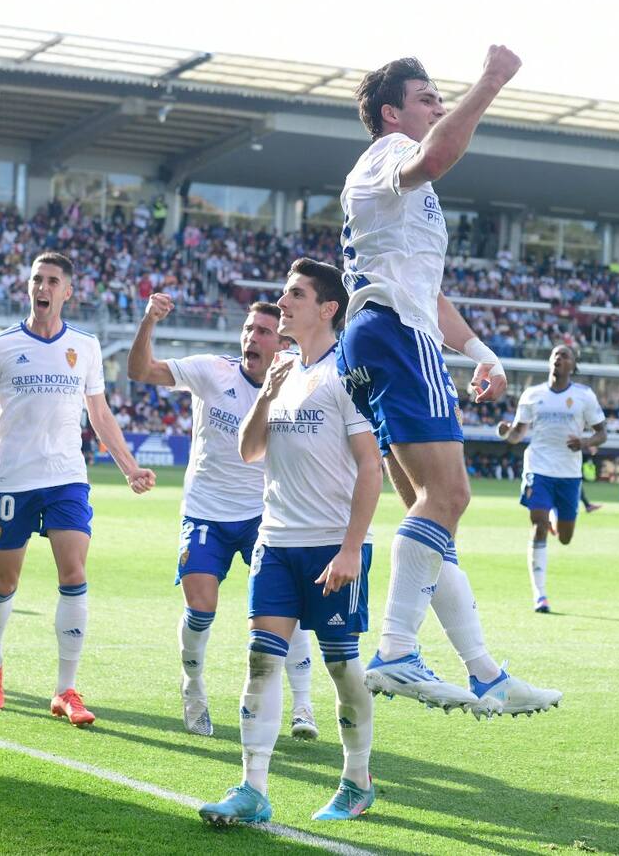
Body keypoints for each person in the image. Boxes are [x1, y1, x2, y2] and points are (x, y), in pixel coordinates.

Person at [336, 50, 560, 716]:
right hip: (395, 336)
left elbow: (427, 292)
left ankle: (485, 673)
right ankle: (396, 650)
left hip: (382, 333)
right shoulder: (391, 154)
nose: (438, 106)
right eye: (426, 97)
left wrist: (480, 351)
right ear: (391, 113)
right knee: (450, 496)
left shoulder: (399, 191)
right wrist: (491, 82)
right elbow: (435, 157)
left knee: (431, 517)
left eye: (441, 97)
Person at [0, 252, 155, 726]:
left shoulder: (85, 346)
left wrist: (129, 467)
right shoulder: (1, 346)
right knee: (5, 582)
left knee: (74, 573)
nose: (42, 288)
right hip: (14, 480)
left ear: (67, 291)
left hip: (67, 477)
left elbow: (99, 413)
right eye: (36, 280)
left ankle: (66, 689)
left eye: (51, 281)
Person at [199, 259, 382, 825]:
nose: (282, 302)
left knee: (341, 667)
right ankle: (253, 788)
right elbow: (249, 450)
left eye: (295, 295)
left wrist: (351, 549)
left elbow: (371, 467)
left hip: (332, 545)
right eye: (284, 293)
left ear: (327, 309)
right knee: (261, 661)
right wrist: (266, 394)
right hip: (276, 541)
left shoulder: (346, 373)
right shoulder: (283, 371)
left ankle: (357, 780)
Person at [128, 294, 318, 739]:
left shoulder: (299, 381)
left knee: (288, 606)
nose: (252, 337)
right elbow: (141, 371)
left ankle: (304, 705)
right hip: (206, 512)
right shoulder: (213, 371)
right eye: (249, 329)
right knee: (201, 607)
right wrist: (148, 321)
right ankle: (193, 688)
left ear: (282, 343)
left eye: (264, 331)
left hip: (265, 514)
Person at [496, 345, 607, 613]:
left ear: (573, 366)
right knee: (538, 523)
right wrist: (506, 433)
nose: (558, 358)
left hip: (569, 473)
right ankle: (540, 595)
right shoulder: (533, 395)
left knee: (565, 537)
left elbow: (602, 433)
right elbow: (517, 434)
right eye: (555, 354)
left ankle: (555, 517)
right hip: (539, 466)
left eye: (565, 355)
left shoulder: (584, 396)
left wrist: (585, 442)